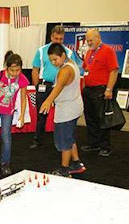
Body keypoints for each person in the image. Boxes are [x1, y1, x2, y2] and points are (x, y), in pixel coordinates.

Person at [29, 25, 82, 150]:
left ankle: (64, 140)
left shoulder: (68, 52)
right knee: (41, 114)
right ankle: (38, 140)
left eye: (61, 39)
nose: (58, 41)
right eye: (56, 38)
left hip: (63, 87)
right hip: (45, 85)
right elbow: (35, 69)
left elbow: (72, 70)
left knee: (63, 114)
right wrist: (37, 86)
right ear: (51, 37)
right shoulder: (42, 51)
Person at [40, 44, 86, 177]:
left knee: (64, 141)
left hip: (67, 110)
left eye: (55, 59)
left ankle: (64, 170)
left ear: (63, 55)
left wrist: (48, 100)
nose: (54, 63)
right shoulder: (71, 64)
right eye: (51, 61)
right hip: (73, 106)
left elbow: (58, 87)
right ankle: (76, 163)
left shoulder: (66, 70)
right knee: (69, 136)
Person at [81, 29, 119, 157]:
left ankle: (105, 146)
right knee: (90, 118)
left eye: (91, 40)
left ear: (98, 38)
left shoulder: (108, 51)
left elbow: (113, 71)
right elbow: (86, 69)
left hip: (100, 90)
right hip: (88, 90)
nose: (89, 42)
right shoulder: (89, 52)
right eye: (87, 40)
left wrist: (109, 89)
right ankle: (93, 143)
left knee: (102, 119)